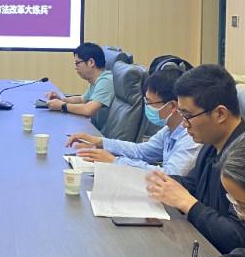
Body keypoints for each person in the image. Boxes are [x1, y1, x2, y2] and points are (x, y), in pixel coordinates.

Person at [144, 64, 245, 253]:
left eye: (188, 116)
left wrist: (188, 204)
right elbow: (193, 185)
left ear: (220, 114)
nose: (184, 124)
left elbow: (239, 238)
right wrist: (155, 183)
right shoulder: (212, 144)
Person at [65, 67, 201, 176]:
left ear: (171, 106)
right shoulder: (170, 128)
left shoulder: (191, 136)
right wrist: (100, 142)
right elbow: (141, 151)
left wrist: (115, 161)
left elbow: (171, 176)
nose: (146, 107)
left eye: (150, 103)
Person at [45, 42, 114, 123]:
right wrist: (61, 100)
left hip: (98, 130)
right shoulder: (96, 80)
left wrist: (62, 106)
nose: (76, 67)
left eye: (77, 63)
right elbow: (82, 99)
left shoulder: (106, 81)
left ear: (91, 62)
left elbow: (88, 109)